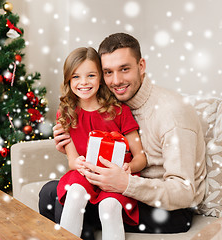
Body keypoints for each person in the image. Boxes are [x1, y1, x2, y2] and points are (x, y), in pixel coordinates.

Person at [39, 33, 206, 239]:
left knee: (55, 197)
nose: (116, 80)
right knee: (52, 192)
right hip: (124, 188)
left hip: (169, 209)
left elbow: (183, 192)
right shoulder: (114, 102)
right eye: (108, 72)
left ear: (141, 66)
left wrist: (125, 183)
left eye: (124, 69)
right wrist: (68, 144)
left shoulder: (172, 113)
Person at [55, 47, 147, 240]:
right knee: (75, 193)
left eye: (90, 75)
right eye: (76, 77)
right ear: (68, 80)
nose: (83, 83)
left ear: (100, 78)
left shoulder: (119, 111)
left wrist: (128, 167)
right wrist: (78, 163)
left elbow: (140, 157)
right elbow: (72, 161)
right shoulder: (66, 113)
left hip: (114, 176)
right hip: (85, 174)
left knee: (109, 207)